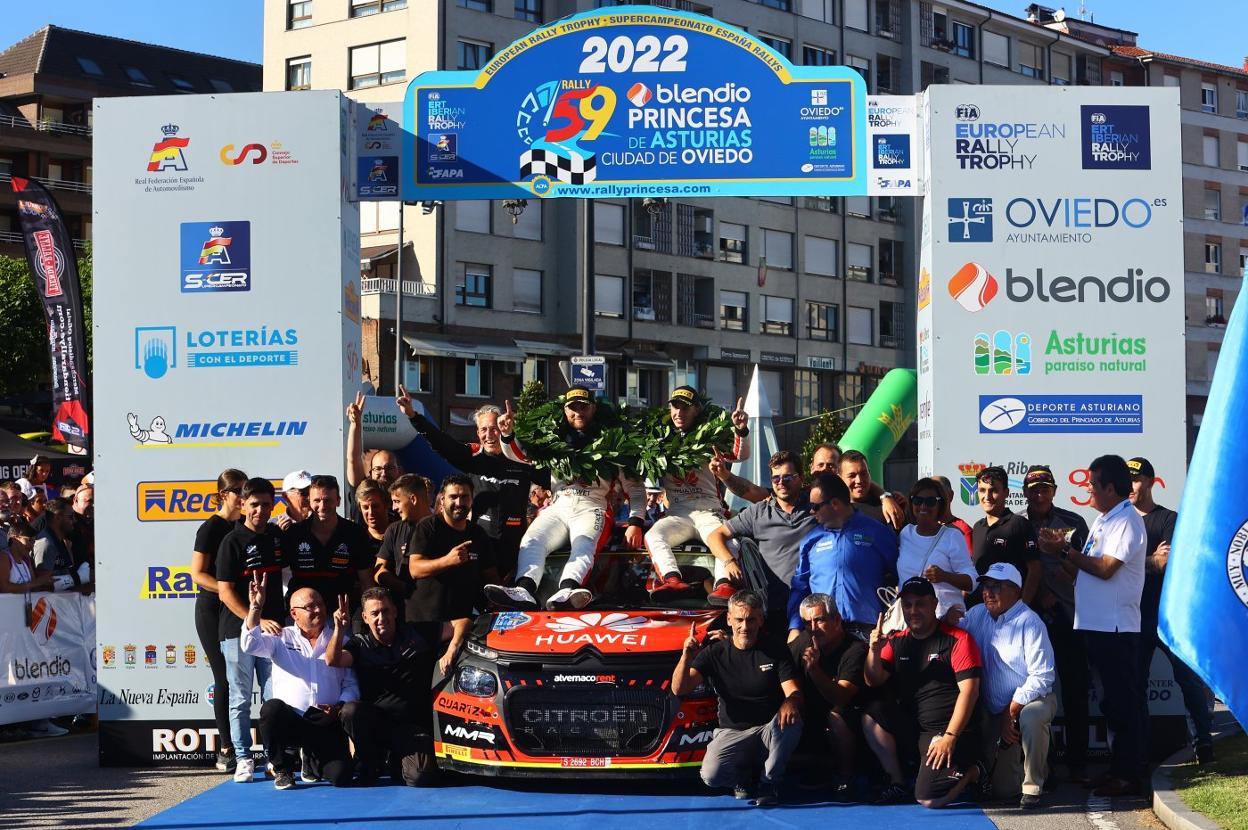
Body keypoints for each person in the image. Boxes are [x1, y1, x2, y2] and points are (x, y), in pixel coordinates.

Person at [487, 386, 646, 611]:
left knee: (584, 544)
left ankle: (568, 589)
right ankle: (524, 589)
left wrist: (635, 523)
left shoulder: (615, 441)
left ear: (594, 408)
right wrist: (507, 434)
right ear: (564, 410)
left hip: (593, 507)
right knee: (532, 539)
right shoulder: (553, 440)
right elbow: (521, 457)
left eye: (584, 406)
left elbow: (636, 489)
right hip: (558, 505)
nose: (578, 412)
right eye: (573, 407)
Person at [1062, 455, 1148, 797]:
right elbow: (1088, 571)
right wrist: (1062, 559)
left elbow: (1106, 568)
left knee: (1121, 705)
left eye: (1093, 484)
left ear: (1111, 488)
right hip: (1095, 626)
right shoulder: (1103, 519)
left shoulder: (1126, 520)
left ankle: (1129, 775)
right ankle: (1117, 769)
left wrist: (1067, 554)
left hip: (1115, 628)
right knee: (1111, 705)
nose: (1087, 489)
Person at [396, 390, 548, 580]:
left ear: (504, 428)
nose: (489, 435)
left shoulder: (521, 459)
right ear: (477, 433)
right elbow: (441, 442)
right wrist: (413, 416)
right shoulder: (472, 457)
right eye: (483, 430)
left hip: (515, 547)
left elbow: (549, 476)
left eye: (494, 428)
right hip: (480, 545)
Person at [673, 589, 803, 807]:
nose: (745, 627)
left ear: (760, 619)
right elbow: (680, 689)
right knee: (711, 776)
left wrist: (791, 701)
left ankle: (768, 782)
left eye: (751, 619)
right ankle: (743, 778)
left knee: (792, 720)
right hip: (732, 732)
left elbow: (794, 691)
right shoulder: (714, 653)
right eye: (739, 620)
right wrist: (686, 657)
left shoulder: (776, 648)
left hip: (768, 731)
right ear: (729, 619)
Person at [864, 577, 984, 808]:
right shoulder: (896, 641)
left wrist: (950, 737)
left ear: (934, 604)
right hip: (915, 730)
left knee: (928, 798)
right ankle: (898, 782)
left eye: (920, 604)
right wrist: (874, 651)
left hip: (947, 731)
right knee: (872, 714)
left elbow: (970, 692)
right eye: (907, 605)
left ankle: (974, 771)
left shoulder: (958, 639)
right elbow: (873, 680)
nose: (913, 611)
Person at [1128, 457, 1213, 763]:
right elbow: (1129, 565)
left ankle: (1204, 742)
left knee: (1188, 681)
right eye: (1127, 480)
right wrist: (1146, 562)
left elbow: (1167, 563)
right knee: (1134, 686)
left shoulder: (1168, 519)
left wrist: (1134, 565)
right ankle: (1140, 750)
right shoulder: (1120, 521)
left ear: (1151, 481)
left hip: (1168, 618)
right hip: (1132, 617)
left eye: (1136, 479)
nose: (1131, 486)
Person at [327, 587, 453, 786]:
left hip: (411, 726)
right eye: (374, 613)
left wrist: (451, 650)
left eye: (385, 611)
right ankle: (370, 761)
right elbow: (333, 660)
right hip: (376, 725)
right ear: (365, 618)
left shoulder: (416, 633)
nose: (381, 617)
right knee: (351, 711)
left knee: (421, 777)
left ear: (394, 611)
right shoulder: (359, 644)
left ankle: (396, 761)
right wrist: (339, 629)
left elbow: (462, 623)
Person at [241, 576, 358, 789]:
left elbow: (350, 684)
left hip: (326, 721)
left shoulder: (341, 639)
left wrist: (339, 706)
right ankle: (282, 769)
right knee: (271, 708)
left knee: (342, 776)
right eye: (309, 606)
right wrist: (255, 608)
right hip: (292, 720)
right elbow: (249, 645)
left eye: (320, 604)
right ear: (294, 613)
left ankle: (311, 760)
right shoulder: (281, 637)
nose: (317, 610)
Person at [958, 563, 1057, 809]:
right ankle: (1032, 761)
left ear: (1016, 591)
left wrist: (1011, 710)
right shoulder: (976, 614)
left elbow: (1043, 676)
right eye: (985, 586)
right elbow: (952, 638)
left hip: (1029, 701)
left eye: (996, 587)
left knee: (1033, 716)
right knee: (1003, 791)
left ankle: (1034, 786)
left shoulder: (1031, 622)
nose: (987, 592)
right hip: (992, 710)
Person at [1017, 464, 1091, 781]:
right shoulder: (1015, 524)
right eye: (1033, 488)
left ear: (1054, 491)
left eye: (1045, 487)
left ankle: (1078, 764)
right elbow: (1011, 569)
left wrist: (1066, 568)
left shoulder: (1074, 522)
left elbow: (1089, 567)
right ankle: (1033, 766)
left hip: (1069, 617)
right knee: (1027, 692)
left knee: (1075, 690)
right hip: (1028, 619)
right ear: (1025, 492)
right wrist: (1039, 594)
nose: (1039, 493)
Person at [644, 387, 749, 599]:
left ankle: (723, 585)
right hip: (677, 513)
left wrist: (740, 430)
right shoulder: (658, 443)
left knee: (729, 542)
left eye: (685, 407)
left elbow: (739, 455)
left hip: (708, 511)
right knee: (654, 535)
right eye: (675, 406)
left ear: (697, 410)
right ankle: (672, 579)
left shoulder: (710, 438)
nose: (679, 412)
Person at [215, 477, 286, 783]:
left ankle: (275, 758)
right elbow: (225, 592)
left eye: (266, 504)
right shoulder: (232, 541)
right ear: (242, 505)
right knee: (241, 698)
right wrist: (253, 620)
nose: (260, 510)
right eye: (254, 504)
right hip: (237, 632)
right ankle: (244, 757)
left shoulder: (276, 536)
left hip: (274, 633)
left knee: (274, 698)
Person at [707, 451, 815, 624]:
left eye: (787, 478)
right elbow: (715, 536)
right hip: (771, 611)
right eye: (776, 479)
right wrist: (729, 561)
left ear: (800, 478)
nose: (781, 483)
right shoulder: (759, 512)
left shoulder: (816, 509)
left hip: (811, 610)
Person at [787, 473, 899, 642]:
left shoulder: (877, 532)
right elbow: (800, 587)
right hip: (821, 634)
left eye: (815, 506)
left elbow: (901, 574)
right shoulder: (810, 540)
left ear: (835, 504)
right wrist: (795, 627)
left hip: (866, 633)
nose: (811, 511)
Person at [189, 469, 247, 773]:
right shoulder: (211, 527)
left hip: (235, 608)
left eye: (245, 489)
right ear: (223, 495)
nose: (243, 496)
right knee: (223, 677)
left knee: (241, 678)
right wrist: (226, 589)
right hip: (212, 609)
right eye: (238, 490)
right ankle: (226, 749)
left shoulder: (243, 526)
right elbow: (197, 574)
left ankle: (243, 745)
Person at [404, 474, 493, 667]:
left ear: (471, 499)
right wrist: (448, 560)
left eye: (464, 497)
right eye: (453, 497)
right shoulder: (428, 527)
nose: (459, 502)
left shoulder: (478, 534)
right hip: (424, 626)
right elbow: (415, 569)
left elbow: (489, 576)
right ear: (442, 499)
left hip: (461, 628)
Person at [787, 593, 868, 796]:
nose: (813, 628)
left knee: (837, 716)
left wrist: (814, 670)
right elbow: (777, 660)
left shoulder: (855, 649)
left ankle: (846, 776)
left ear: (837, 620)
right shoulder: (805, 638)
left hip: (853, 721)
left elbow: (841, 698)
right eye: (807, 622)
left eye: (819, 620)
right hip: (813, 718)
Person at [715, 443, 907, 528]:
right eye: (820, 465)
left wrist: (885, 497)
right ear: (811, 468)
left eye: (831, 466)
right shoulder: (798, 493)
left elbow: (860, 481)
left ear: (839, 470)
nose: (824, 470)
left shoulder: (870, 501)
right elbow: (750, 491)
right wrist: (724, 474)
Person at [281, 475, 375, 619]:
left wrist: (367, 616)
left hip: (342, 615)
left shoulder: (355, 533)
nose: (323, 506)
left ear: (338, 501)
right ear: (309, 502)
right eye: (317, 500)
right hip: (302, 617)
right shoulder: (294, 533)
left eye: (328, 500)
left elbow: (366, 581)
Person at [898, 478, 977, 620]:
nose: (923, 506)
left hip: (944, 621)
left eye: (930, 501)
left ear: (940, 505)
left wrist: (944, 576)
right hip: (911, 621)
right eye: (917, 500)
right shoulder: (905, 533)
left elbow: (973, 581)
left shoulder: (952, 535)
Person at [970, 467, 1040, 605]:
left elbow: (1035, 570)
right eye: (982, 490)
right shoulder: (977, 527)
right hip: (980, 609)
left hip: (1011, 610)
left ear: (1006, 492)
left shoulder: (1019, 524)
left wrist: (1022, 607)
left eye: (994, 490)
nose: (987, 496)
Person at [374, 473, 433, 619]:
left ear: (413, 499)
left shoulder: (442, 528)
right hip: (403, 614)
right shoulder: (394, 530)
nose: (393, 508)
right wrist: (403, 587)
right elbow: (378, 570)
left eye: (397, 501)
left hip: (436, 613)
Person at [345, 391, 404, 494]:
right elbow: (353, 459)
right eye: (378, 468)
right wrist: (356, 424)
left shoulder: (403, 503)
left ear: (399, 471)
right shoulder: (363, 495)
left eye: (389, 468)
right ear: (370, 473)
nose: (384, 473)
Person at [32, 498, 88, 592]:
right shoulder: (46, 543)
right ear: (57, 517)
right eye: (70, 517)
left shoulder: (62, 541)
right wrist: (79, 579)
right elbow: (43, 584)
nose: (74, 521)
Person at [838, 450, 901, 530]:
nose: (859, 480)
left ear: (869, 474)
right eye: (852, 476)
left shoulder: (888, 507)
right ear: (840, 479)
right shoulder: (832, 509)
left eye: (863, 474)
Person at [1, 518, 53, 593]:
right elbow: (4, 588)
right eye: (29, 540)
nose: (32, 546)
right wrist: (36, 583)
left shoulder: (26, 559)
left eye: (33, 541)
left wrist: (45, 583)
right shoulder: (4, 557)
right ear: (14, 539)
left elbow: (34, 589)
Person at [933, 476, 973, 553]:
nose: (935, 497)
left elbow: (969, 563)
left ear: (951, 495)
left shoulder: (963, 530)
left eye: (940, 492)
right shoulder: (919, 528)